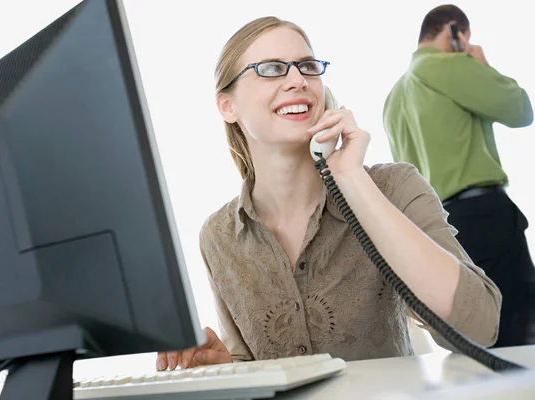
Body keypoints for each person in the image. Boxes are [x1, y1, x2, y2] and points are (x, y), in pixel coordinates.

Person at [156, 15, 502, 372]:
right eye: (272, 68)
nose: (297, 80)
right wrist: (223, 365)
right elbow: (251, 362)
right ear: (227, 106)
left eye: (307, 66)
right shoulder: (219, 236)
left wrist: (350, 177)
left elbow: (478, 327)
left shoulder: (393, 188)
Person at [383, 4, 534, 348]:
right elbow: (521, 110)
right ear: (455, 32)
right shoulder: (451, 66)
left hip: (437, 232)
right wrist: (481, 64)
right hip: (485, 217)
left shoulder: (394, 98)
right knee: (520, 334)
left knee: (471, 342)